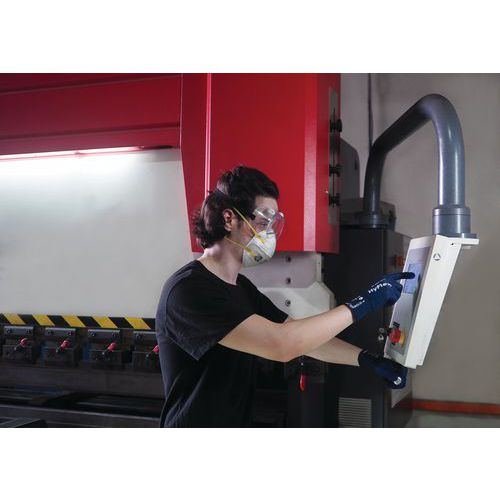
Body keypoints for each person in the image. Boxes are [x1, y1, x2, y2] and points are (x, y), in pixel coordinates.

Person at [155, 166, 413, 427]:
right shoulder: (189, 290)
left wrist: (366, 359)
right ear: (229, 219)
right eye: (262, 222)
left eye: (272, 224)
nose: (268, 234)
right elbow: (281, 345)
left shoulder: (241, 288)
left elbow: (301, 339)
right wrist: (365, 301)